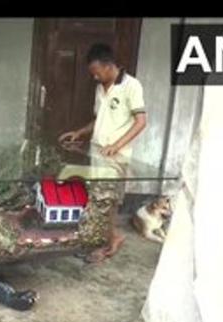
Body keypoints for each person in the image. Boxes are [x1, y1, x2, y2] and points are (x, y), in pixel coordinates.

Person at [58, 43, 147, 263]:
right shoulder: (101, 88)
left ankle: (110, 242)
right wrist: (79, 133)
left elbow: (141, 122)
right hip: (98, 154)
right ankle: (109, 237)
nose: (95, 77)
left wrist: (116, 145)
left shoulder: (131, 86)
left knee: (107, 201)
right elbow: (99, 119)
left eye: (97, 72)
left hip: (117, 157)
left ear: (108, 66)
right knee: (99, 199)